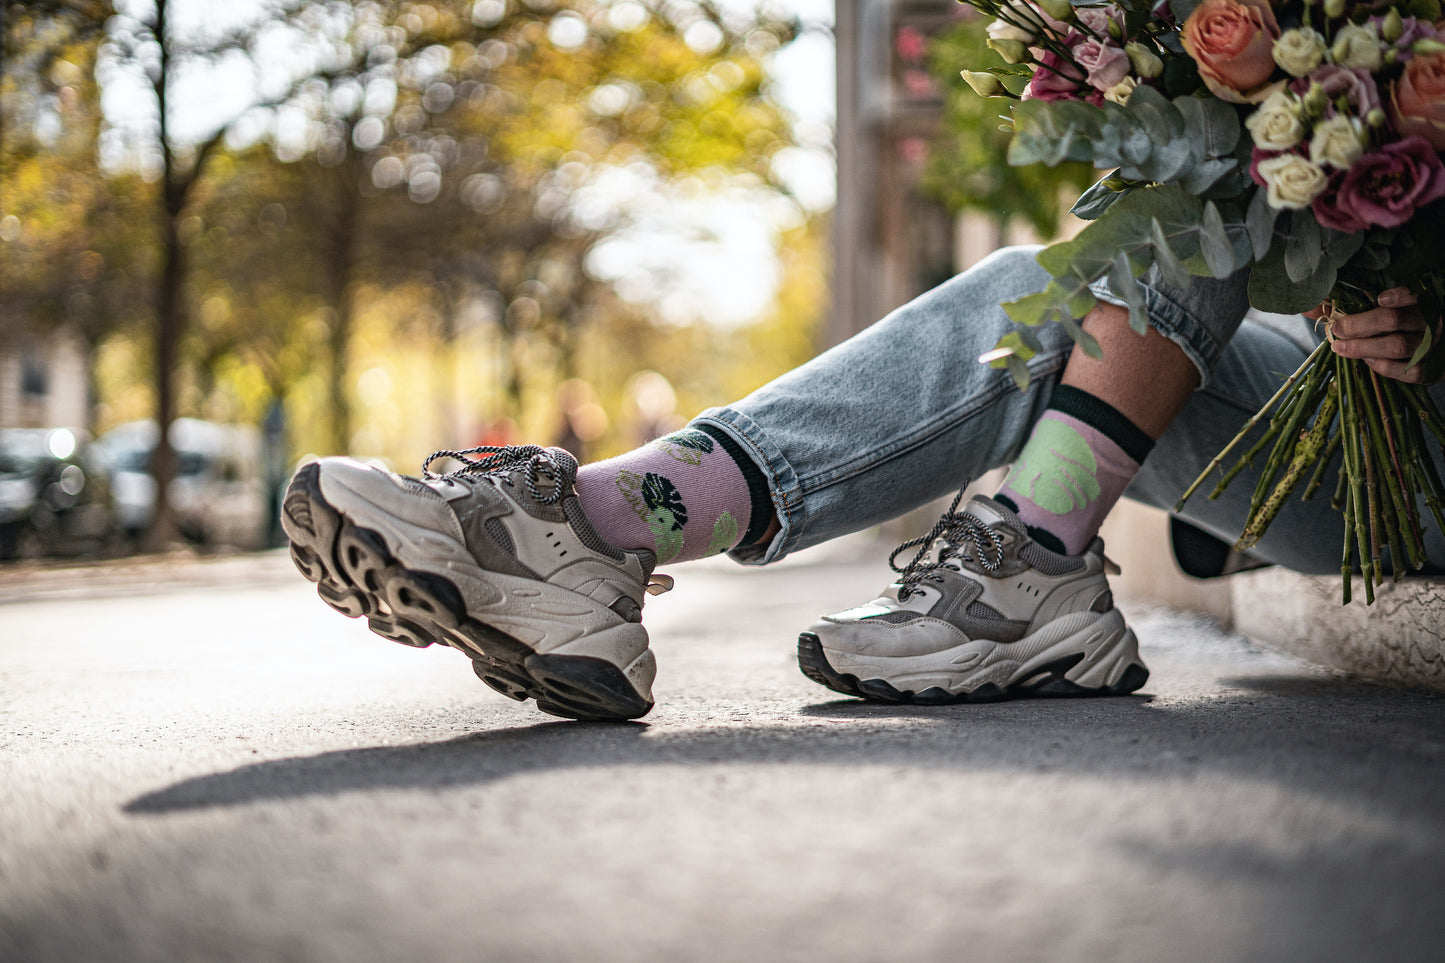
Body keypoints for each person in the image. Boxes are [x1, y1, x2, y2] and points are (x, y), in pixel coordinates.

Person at [281, 246, 1443, 721]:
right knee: (1063, 277)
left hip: (1412, 457)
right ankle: (594, 528)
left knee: (1185, 205)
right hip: (1338, 400)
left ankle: (581, 539)